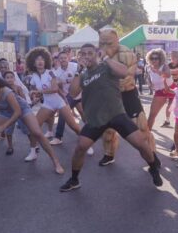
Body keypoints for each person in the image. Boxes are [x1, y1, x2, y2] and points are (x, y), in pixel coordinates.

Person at [59, 44, 162, 192]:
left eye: (90, 53)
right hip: (95, 119)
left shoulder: (106, 67)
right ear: (79, 57)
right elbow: (73, 93)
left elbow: (124, 72)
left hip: (116, 114)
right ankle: (74, 180)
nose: (87, 56)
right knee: (80, 148)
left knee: (141, 143)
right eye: (83, 54)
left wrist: (105, 58)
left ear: (96, 54)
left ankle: (153, 167)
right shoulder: (83, 75)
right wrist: (78, 71)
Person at [0, 75, 64, 174]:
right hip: (6, 112)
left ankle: (56, 162)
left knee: (37, 133)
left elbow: (17, 112)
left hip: (22, 109)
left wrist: (3, 126)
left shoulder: (6, 92)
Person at [98, 29, 157, 167]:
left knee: (142, 128)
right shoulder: (97, 55)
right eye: (102, 43)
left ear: (117, 41)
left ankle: (152, 154)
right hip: (109, 97)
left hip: (127, 94)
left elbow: (126, 80)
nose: (105, 47)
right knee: (107, 131)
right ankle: (109, 154)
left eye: (109, 43)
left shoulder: (126, 54)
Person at [25, 47, 94, 158]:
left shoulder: (51, 73)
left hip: (59, 102)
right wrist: (34, 97)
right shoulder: (33, 77)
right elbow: (35, 92)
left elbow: (54, 89)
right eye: (37, 59)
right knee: (34, 127)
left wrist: (38, 91)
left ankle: (87, 145)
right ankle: (33, 151)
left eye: (42, 59)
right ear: (33, 62)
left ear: (46, 61)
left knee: (74, 126)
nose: (40, 61)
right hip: (47, 104)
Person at [50, 50, 86, 146]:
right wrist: (64, 98)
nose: (63, 60)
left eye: (64, 58)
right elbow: (58, 88)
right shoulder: (57, 72)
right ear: (58, 60)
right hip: (69, 96)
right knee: (63, 113)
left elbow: (84, 78)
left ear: (68, 58)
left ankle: (91, 132)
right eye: (61, 58)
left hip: (81, 94)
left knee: (84, 114)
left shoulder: (75, 66)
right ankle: (58, 137)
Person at [2, 71, 40, 158]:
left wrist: (26, 109)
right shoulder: (2, 89)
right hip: (9, 113)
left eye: (11, 77)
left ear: (14, 79)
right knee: (8, 131)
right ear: (4, 79)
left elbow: (23, 99)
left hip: (20, 111)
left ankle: (34, 145)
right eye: (7, 77)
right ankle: (10, 146)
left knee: (27, 130)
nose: (9, 79)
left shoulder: (18, 88)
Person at [145, 48, 176, 130]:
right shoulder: (148, 68)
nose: (154, 60)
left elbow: (168, 75)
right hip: (160, 92)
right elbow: (148, 78)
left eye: (156, 58)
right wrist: (150, 85)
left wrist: (157, 71)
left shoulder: (164, 66)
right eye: (152, 58)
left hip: (172, 89)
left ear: (160, 59)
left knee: (177, 113)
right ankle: (147, 136)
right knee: (152, 115)